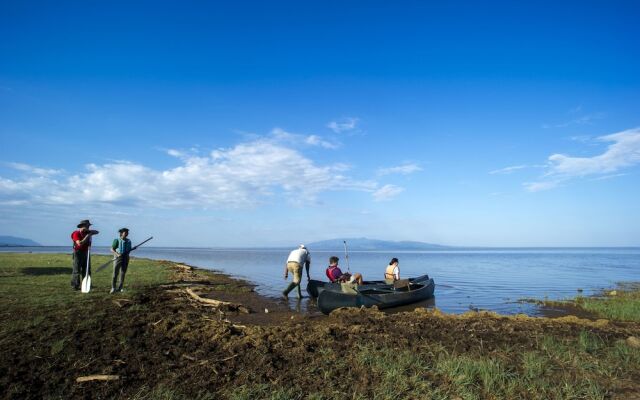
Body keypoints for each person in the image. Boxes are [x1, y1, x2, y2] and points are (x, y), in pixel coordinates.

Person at [70, 219, 99, 290]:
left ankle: (86, 284)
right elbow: (79, 243)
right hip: (78, 252)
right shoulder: (76, 233)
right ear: (82, 226)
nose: (89, 227)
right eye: (87, 226)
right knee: (77, 270)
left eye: (89, 226)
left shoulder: (87, 232)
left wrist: (90, 232)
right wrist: (88, 235)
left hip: (86, 252)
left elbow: (97, 232)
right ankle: (75, 285)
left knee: (87, 269)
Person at [110, 227, 132, 294]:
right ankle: (113, 288)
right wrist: (117, 254)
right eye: (125, 232)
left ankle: (120, 287)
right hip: (118, 258)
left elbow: (129, 250)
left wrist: (131, 250)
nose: (127, 234)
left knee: (123, 273)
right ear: (121, 233)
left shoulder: (129, 241)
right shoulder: (116, 240)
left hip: (126, 258)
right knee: (115, 273)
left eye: (127, 232)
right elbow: (111, 249)